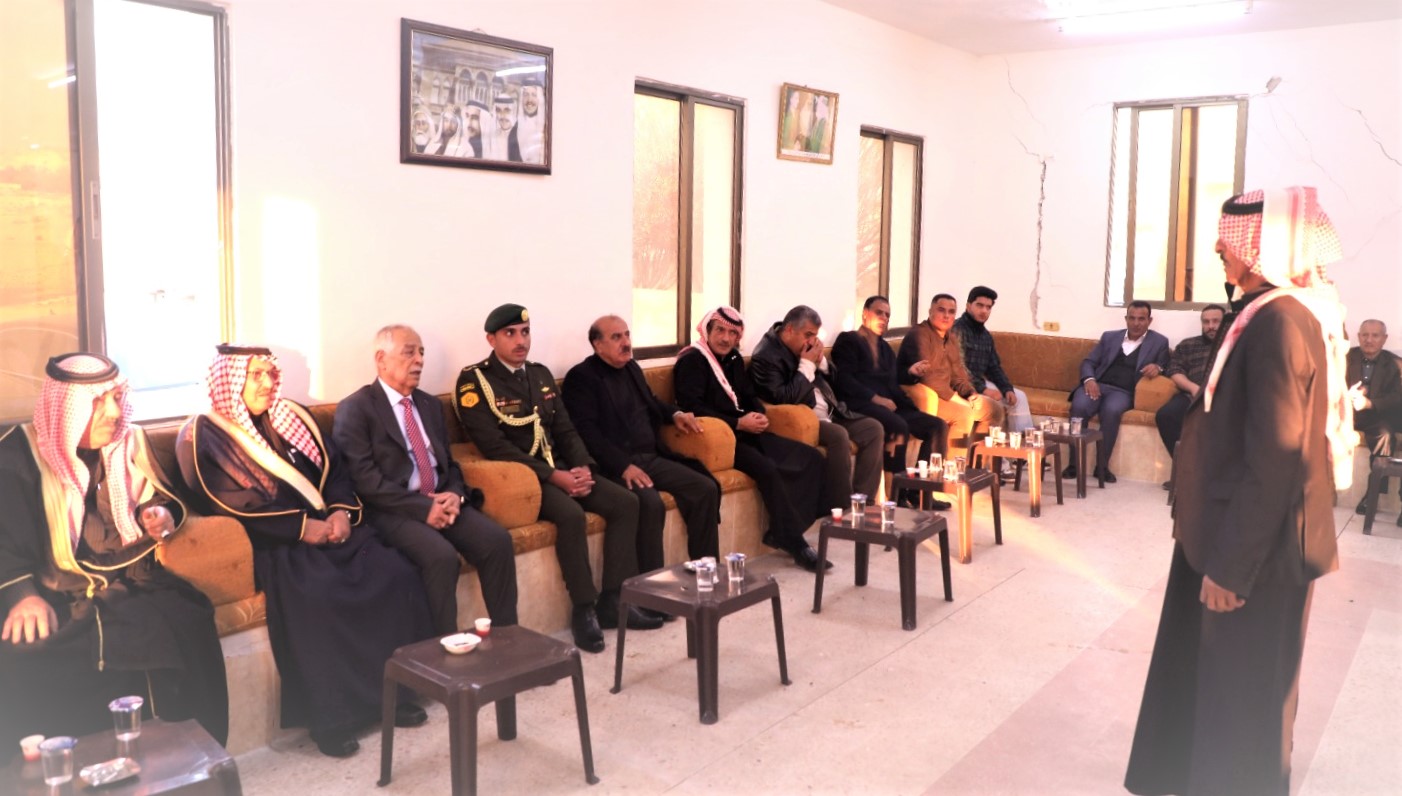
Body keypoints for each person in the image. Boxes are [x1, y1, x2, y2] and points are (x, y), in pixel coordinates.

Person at [1125, 186, 1350, 795]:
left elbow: (1277, 457)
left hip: (1250, 549)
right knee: (1210, 685)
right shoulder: (1264, 312)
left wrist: (1231, 568)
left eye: (1230, 239)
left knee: (1242, 698)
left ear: (1265, 245)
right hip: (1222, 531)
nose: (1220, 249)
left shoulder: (1281, 322)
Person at [178, 345, 434, 758]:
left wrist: (341, 512)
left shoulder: (292, 416)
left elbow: (336, 469)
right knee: (318, 594)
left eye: (270, 374)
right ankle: (333, 719)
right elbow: (223, 501)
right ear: (230, 380)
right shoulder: (204, 434)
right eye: (255, 375)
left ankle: (394, 696)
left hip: (331, 529)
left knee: (393, 572)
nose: (267, 383)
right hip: (278, 543)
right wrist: (299, 528)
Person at [0, 354, 228, 753]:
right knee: (33, 653)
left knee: (189, 616)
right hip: (56, 590)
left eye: (118, 399)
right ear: (65, 407)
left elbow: (160, 496)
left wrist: (159, 514)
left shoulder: (127, 442)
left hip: (132, 579)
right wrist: (22, 594)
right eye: (98, 402)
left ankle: (189, 755)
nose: (115, 413)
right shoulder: (16, 456)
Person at [455, 305, 660, 655]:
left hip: (563, 466)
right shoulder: (475, 381)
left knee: (626, 503)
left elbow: (565, 429)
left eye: (525, 332)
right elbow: (494, 445)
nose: (521, 341)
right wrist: (554, 476)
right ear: (491, 339)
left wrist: (583, 466)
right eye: (510, 334)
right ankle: (584, 607)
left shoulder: (540, 374)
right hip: (523, 479)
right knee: (570, 515)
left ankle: (613, 600)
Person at [333, 325, 519, 637]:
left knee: (497, 541)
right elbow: (365, 481)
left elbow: (449, 464)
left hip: (441, 500)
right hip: (392, 510)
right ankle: (443, 651)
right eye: (409, 353)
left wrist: (455, 495)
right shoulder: (356, 408)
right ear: (381, 359)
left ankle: (509, 638)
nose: (419, 360)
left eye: (421, 353)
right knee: (441, 557)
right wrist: (422, 508)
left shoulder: (429, 405)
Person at [673, 306, 831, 572]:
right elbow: (692, 407)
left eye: (732, 333)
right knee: (767, 469)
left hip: (746, 430)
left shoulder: (733, 359)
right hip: (719, 440)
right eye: (720, 330)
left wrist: (759, 414)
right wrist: (737, 422)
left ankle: (785, 530)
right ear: (707, 330)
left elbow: (747, 395)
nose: (725, 338)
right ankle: (793, 541)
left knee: (811, 458)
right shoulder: (692, 360)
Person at [562, 315, 720, 567]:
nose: (626, 342)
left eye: (627, 335)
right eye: (616, 337)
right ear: (597, 345)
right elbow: (586, 433)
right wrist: (623, 465)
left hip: (652, 457)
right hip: (615, 466)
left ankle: (706, 569)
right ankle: (650, 583)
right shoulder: (581, 378)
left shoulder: (631, 368)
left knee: (705, 488)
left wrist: (675, 414)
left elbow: (651, 402)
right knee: (650, 503)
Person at [751, 305, 883, 509]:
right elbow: (783, 398)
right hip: (807, 421)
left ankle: (864, 503)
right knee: (839, 435)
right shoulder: (766, 356)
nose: (812, 341)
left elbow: (836, 381)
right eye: (808, 335)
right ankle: (841, 507)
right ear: (789, 330)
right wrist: (806, 365)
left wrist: (821, 363)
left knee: (874, 429)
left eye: (815, 335)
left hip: (831, 410)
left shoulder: (805, 348)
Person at [831, 296, 950, 509]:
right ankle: (897, 495)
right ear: (865, 314)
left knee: (937, 426)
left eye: (887, 315)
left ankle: (922, 493)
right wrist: (875, 398)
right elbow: (844, 380)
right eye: (879, 313)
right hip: (861, 404)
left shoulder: (885, 348)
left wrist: (910, 373)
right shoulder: (849, 340)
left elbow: (893, 380)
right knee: (898, 426)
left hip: (892, 406)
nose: (884, 318)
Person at [1066, 301, 1170, 483]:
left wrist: (1158, 367)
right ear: (1126, 319)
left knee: (1111, 411)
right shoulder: (1109, 337)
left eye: (1141, 319)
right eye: (1132, 318)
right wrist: (1089, 380)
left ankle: (1101, 467)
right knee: (1079, 407)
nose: (1136, 323)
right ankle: (1074, 464)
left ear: (1149, 320)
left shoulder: (1159, 342)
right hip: (1097, 385)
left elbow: (1166, 365)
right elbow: (1089, 362)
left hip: (1124, 392)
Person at [898, 293, 1001, 457]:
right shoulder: (919, 334)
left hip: (948, 395)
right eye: (941, 310)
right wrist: (956, 399)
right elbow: (928, 377)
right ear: (930, 311)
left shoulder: (950, 337)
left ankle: (976, 464)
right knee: (963, 413)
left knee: (994, 409)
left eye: (951, 312)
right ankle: (952, 466)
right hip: (925, 397)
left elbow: (958, 373)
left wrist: (970, 393)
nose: (946, 315)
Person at [1156, 305, 1226, 488]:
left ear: (1225, 323)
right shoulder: (1188, 345)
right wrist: (1194, 389)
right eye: (1206, 322)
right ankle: (1185, 472)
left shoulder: (1236, 345)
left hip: (1225, 398)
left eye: (1216, 321)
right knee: (1166, 415)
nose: (1211, 326)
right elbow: (1174, 370)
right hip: (1191, 395)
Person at [952, 285, 1033, 433]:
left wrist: (1006, 388)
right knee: (994, 403)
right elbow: (958, 368)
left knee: (1019, 398)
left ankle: (1021, 445)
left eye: (988, 307)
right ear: (968, 306)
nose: (984, 311)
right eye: (980, 305)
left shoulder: (985, 336)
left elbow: (994, 367)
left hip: (978, 383)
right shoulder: (957, 330)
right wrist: (984, 390)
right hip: (959, 386)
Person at [1345, 319, 1402, 518]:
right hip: (1345, 413)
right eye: (1365, 335)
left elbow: (1397, 397)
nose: (1369, 340)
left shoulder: (1395, 364)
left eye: (1375, 335)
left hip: (1375, 416)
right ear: (1358, 336)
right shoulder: (1344, 358)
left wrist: (1369, 403)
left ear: (1384, 339)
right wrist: (1346, 396)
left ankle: (1373, 494)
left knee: (1384, 435)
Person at [515, 77, 546, 164]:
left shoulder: (547, 128)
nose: (529, 100)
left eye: (534, 95)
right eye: (526, 95)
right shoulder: (513, 131)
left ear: (539, 98)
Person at [486, 94, 522, 162]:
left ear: (514, 112)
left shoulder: (520, 135)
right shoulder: (492, 136)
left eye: (507, 110)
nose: (503, 115)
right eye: (498, 110)